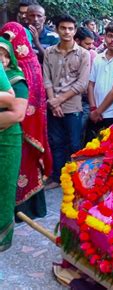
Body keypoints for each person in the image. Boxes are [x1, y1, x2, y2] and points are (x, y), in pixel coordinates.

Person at [0, 22, 53, 219]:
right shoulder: (5, 67)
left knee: (26, 167)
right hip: (7, 128)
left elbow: (32, 102)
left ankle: (28, 209)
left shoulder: (30, 65)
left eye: (11, 39)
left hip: (26, 129)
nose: (8, 44)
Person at [43, 15, 90, 189]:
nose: (67, 32)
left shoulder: (83, 54)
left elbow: (82, 84)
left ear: (75, 30)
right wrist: (53, 103)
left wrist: (58, 101)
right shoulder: (49, 52)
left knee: (75, 144)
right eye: (63, 28)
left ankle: (75, 181)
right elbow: (46, 79)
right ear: (57, 29)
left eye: (70, 28)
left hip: (73, 107)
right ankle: (57, 177)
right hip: (53, 105)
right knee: (56, 142)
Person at [86, 22, 113, 142]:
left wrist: (98, 111)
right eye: (110, 36)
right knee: (91, 151)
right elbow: (91, 85)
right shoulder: (97, 58)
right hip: (94, 113)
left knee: (111, 152)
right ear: (104, 37)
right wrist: (93, 108)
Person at [0, 63, 27, 252]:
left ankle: (3, 236)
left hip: (8, 140)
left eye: (4, 54)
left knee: (4, 186)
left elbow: (17, 114)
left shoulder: (17, 80)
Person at [74, 27, 97, 135]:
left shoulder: (92, 55)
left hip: (85, 99)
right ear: (77, 41)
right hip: (69, 99)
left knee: (78, 132)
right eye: (87, 44)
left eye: (91, 43)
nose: (91, 47)